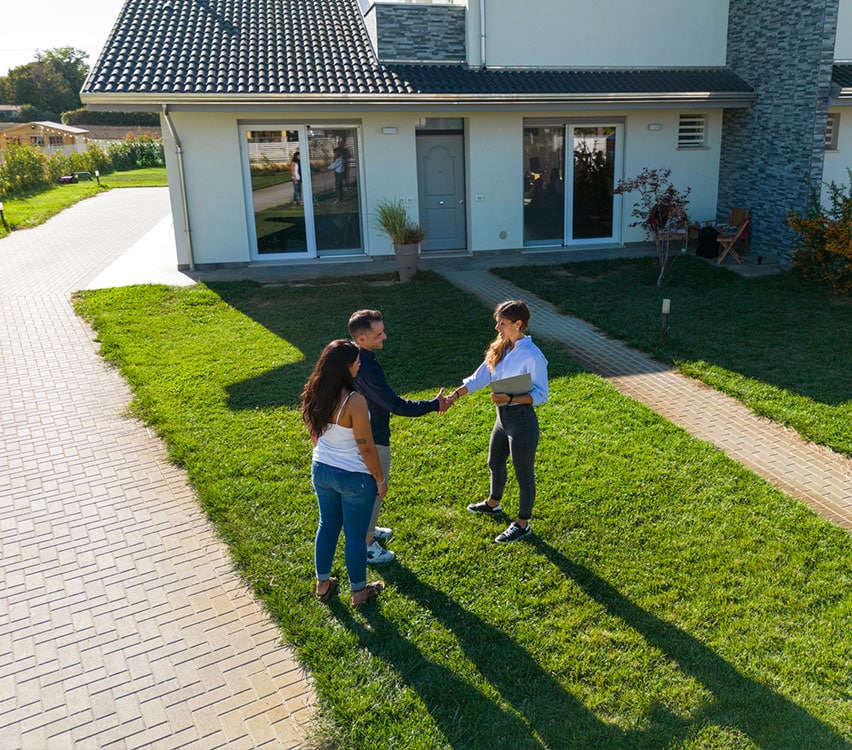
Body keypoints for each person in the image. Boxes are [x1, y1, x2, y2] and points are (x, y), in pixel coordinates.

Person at [348, 309, 449, 564]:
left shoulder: (354, 357)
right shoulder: (367, 369)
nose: (385, 336)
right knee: (376, 489)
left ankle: (368, 530)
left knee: (369, 489)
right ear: (362, 339)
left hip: (362, 433)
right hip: (373, 438)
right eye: (379, 333)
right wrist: (434, 404)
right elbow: (396, 405)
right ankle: (367, 544)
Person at [445, 300, 548, 543]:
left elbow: (541, 395)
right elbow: (480, 377)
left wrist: (510, 397)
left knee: (524, 474)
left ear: (518, 324)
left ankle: (522, 524)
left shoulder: (532, 356)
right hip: (502, 419)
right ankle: (493, 503)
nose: (497, 328)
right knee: (494, 460)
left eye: (502, 323)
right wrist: (455, 395)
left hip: (522, 421)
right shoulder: (502, 348)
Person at [300, 339, 387, 608]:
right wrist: (380, 479)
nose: (360, 364)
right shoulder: (354, 400)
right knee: (355, 536)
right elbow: (366, 446)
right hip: (354, 478)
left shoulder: (314, 390)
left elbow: (313, 432)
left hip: (322, 470)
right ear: (346, 367)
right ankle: (359, 592)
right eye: (357, 361)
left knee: (327, 526)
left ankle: (323, 584)